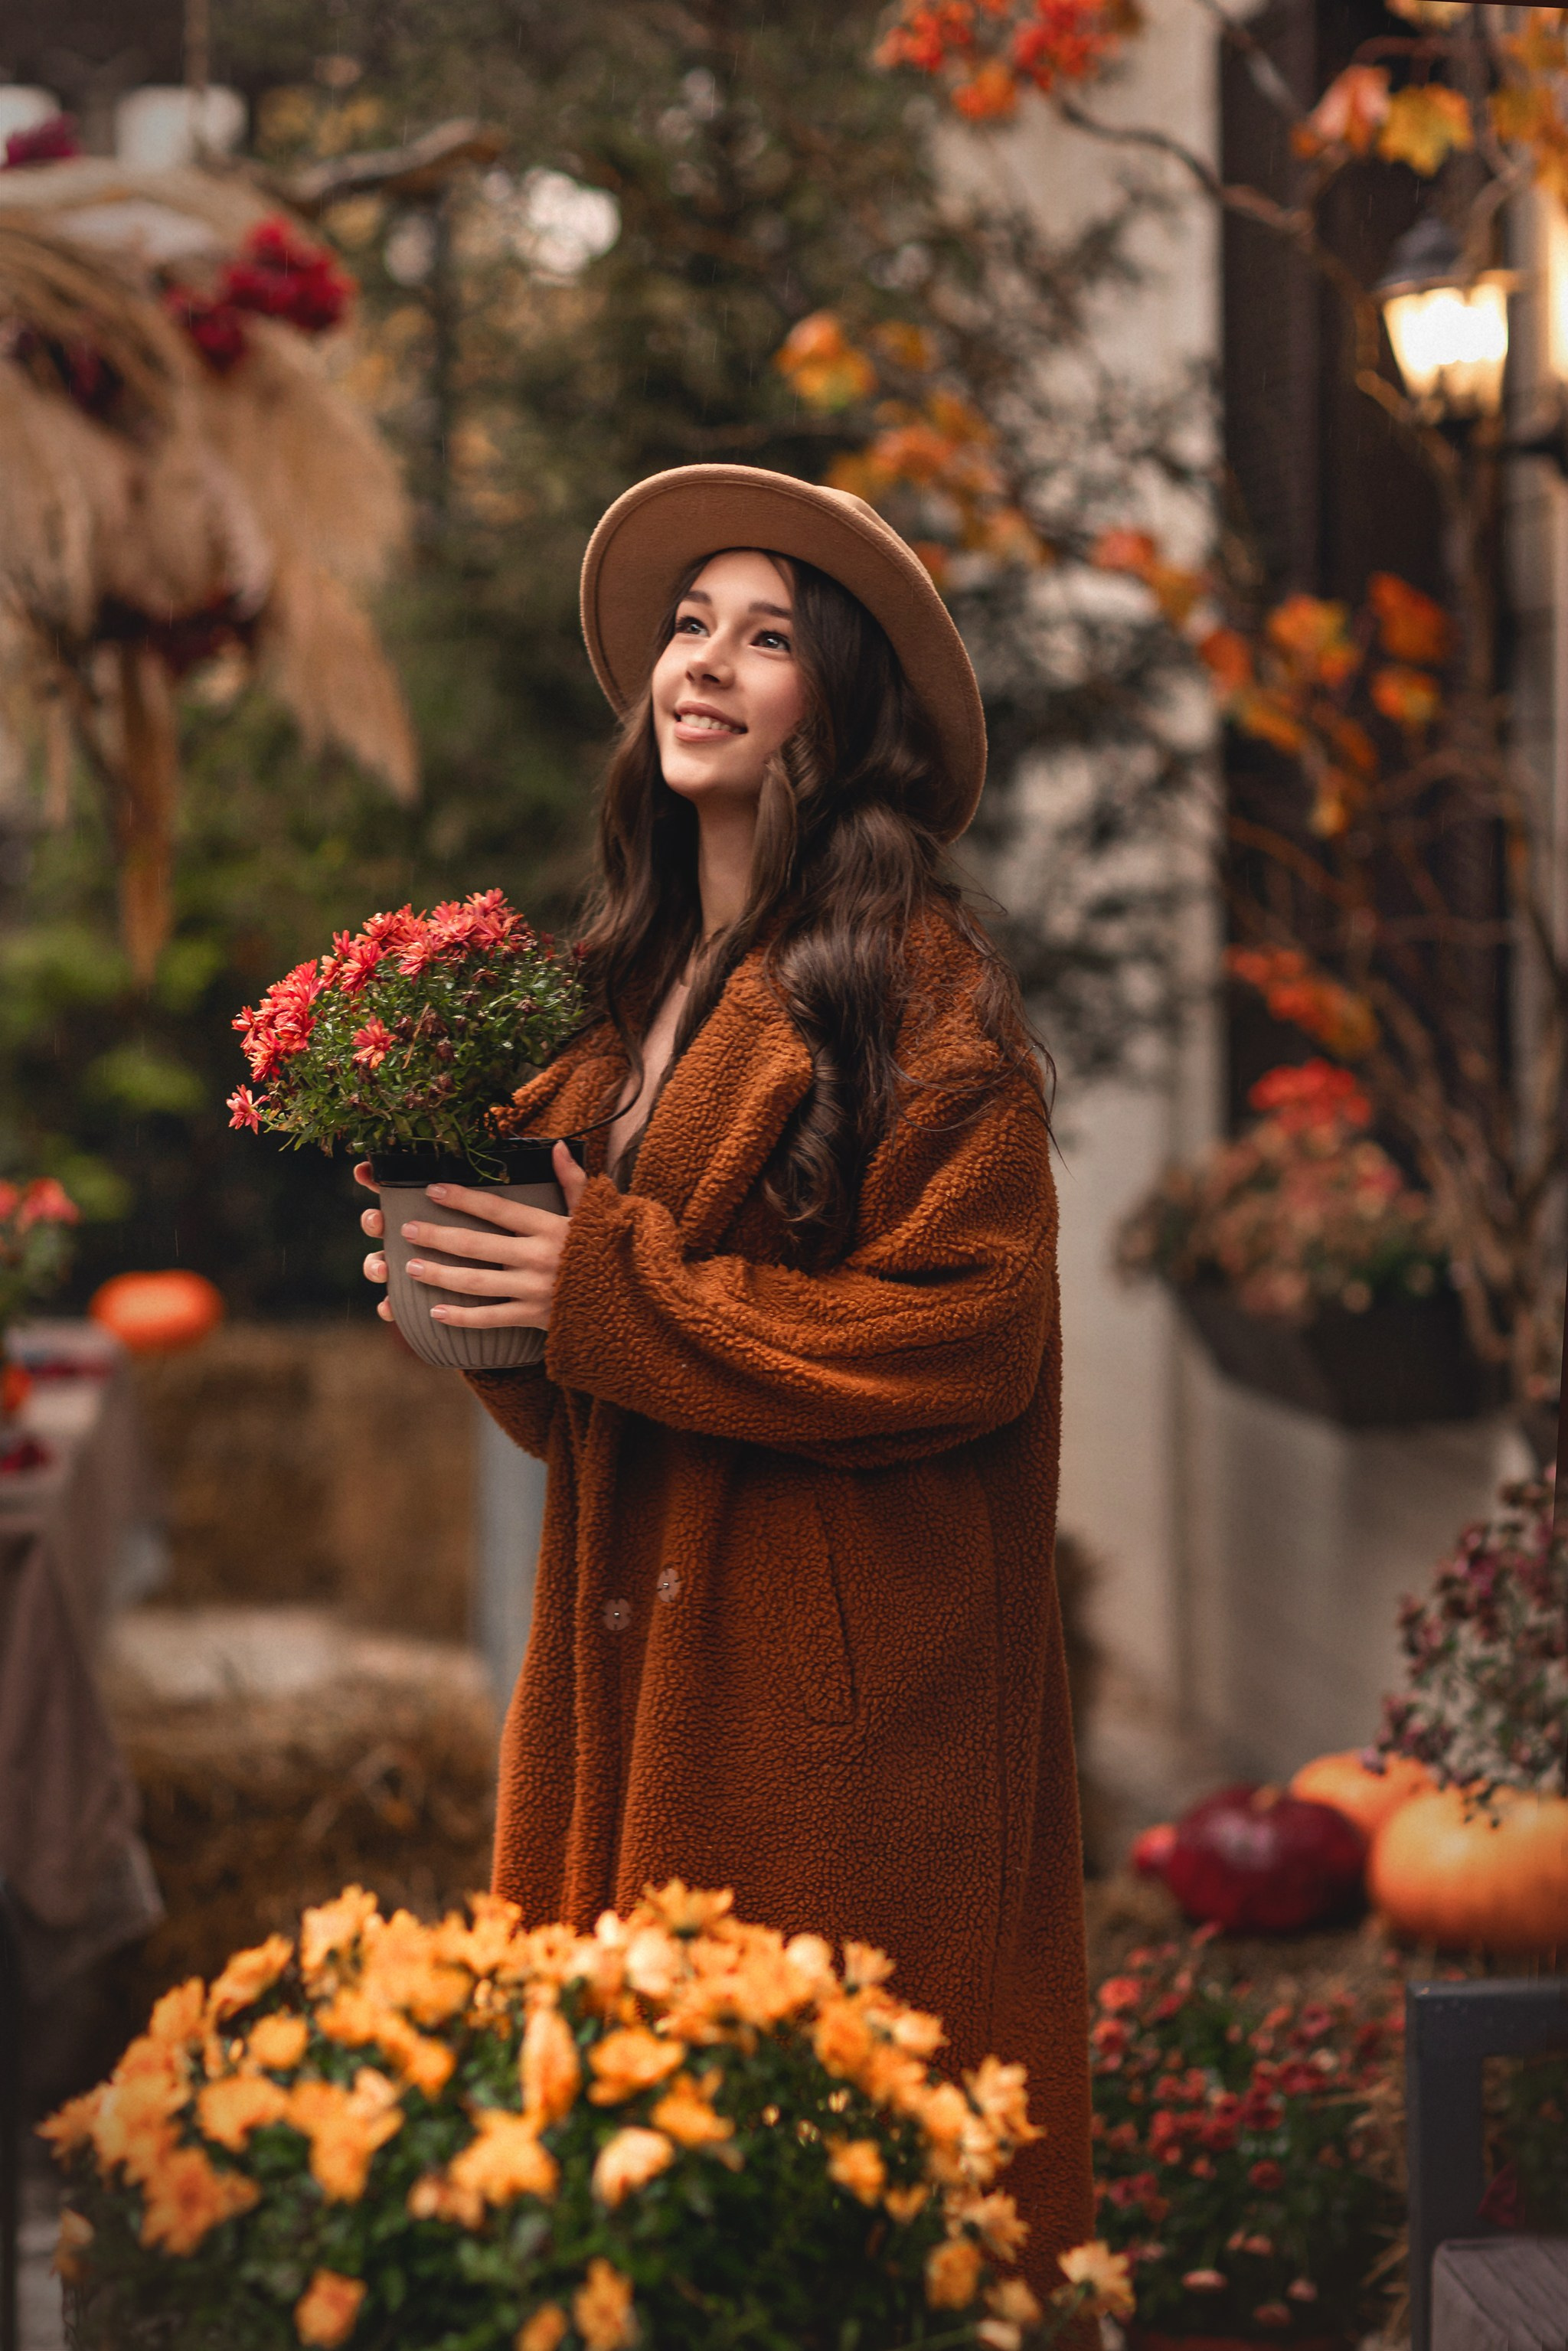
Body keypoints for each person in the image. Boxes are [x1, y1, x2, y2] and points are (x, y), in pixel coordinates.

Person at [357, 465, 1092, 2284]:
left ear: (838, 714)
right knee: (632, 2194)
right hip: (622, 1651)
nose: (705, 664)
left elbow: (962, 1337)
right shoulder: (631, 987)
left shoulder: (926, 991)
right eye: (691, 626)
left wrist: (596, 1292)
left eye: (766, 640)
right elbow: (618, 1362)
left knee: (832, 2204)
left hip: (824, 1695)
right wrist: (486, 1317)